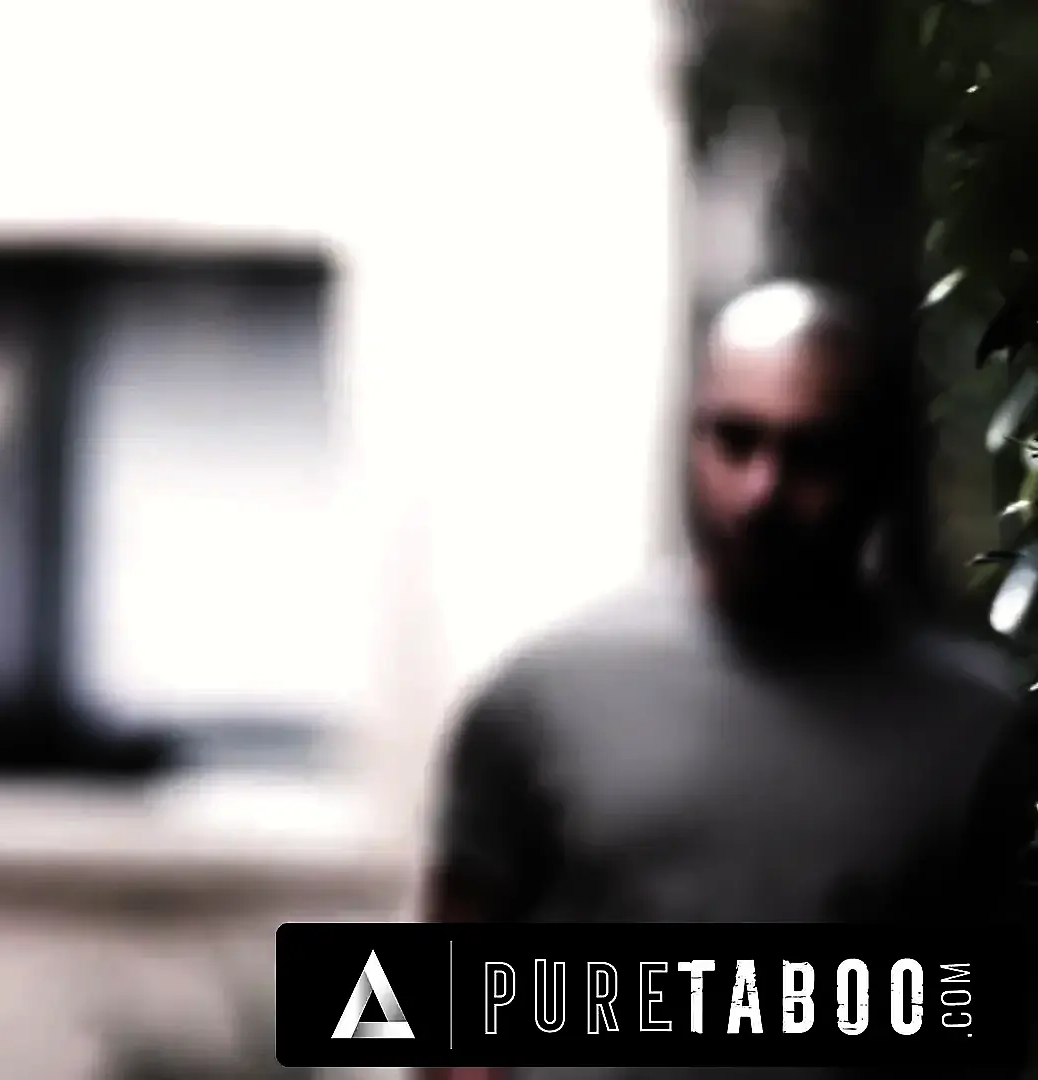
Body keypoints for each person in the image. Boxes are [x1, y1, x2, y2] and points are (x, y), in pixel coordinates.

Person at [421, 280, 1035, 1078]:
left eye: (810, 452)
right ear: (691, 435)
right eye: (736, 439)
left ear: (876, 462)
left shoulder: (977, 735)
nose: (763, 490)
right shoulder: (540, 702)